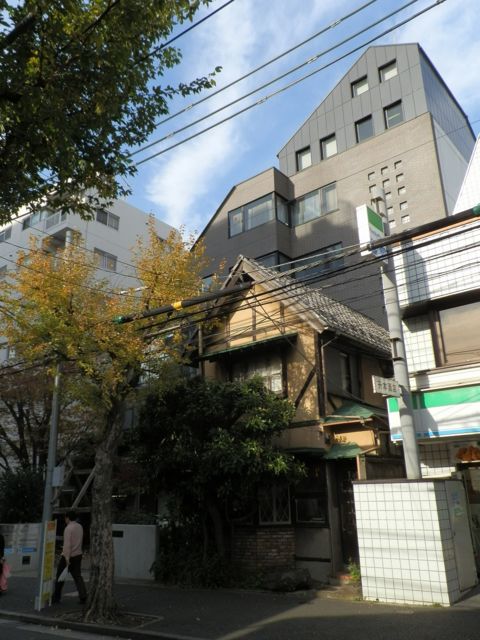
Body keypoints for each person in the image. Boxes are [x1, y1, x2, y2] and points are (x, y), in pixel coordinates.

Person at [52, 510, 87, 604]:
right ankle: (83, 596)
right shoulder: (79, 526)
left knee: (60, 576)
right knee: (77, 576)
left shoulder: (68, 528)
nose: (65, 519)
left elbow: (67, 545)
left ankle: (56, 597)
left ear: (67, 518)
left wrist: (67, 559)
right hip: (78, 554)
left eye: (65, 517)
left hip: (68, 556)